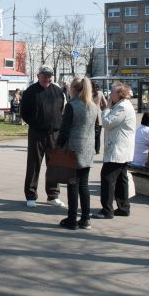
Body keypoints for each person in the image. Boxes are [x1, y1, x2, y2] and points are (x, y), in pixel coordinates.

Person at [20, 65, 66, 208]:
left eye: (50, 75)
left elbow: (61, 110)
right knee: (34, 164)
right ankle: (31, 195)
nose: (47, 78)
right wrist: (36, 124)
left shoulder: (58, 91)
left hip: (54, 133)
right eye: (45, 75)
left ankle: (53, 195)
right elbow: (24, 113)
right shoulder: (30, 92)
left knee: (54, 165)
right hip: (37, 133)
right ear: (38, 76)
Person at [56, 77, 99, 230]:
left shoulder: (72, 106)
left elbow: (65, 129)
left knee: (72, 185)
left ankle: (72, 218)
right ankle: (85, 218)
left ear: (73, 89)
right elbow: (97, 128)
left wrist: (58, 146)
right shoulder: (93, 106)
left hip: (73, 148)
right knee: (84, 185)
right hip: (88, 148)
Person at [94, 81, 136, 218]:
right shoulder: (121, 105)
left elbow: (107, 123)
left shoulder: (122, 107)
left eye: (112, 91)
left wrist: (106, 108)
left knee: (108, 178)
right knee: (120, 180)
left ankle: (107, 210)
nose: (110, 94)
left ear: (119, 94)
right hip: (120, 149)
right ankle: (123, 208)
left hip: (118, 149)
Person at [91, 81, 107, 154]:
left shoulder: (89, 93)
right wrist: (101, 109)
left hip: (90, 115)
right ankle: (97, 150)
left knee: (90, 134)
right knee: (98, 135)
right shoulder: (100, 93)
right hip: (98, 115)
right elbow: (105, 104)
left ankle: (91, 149)